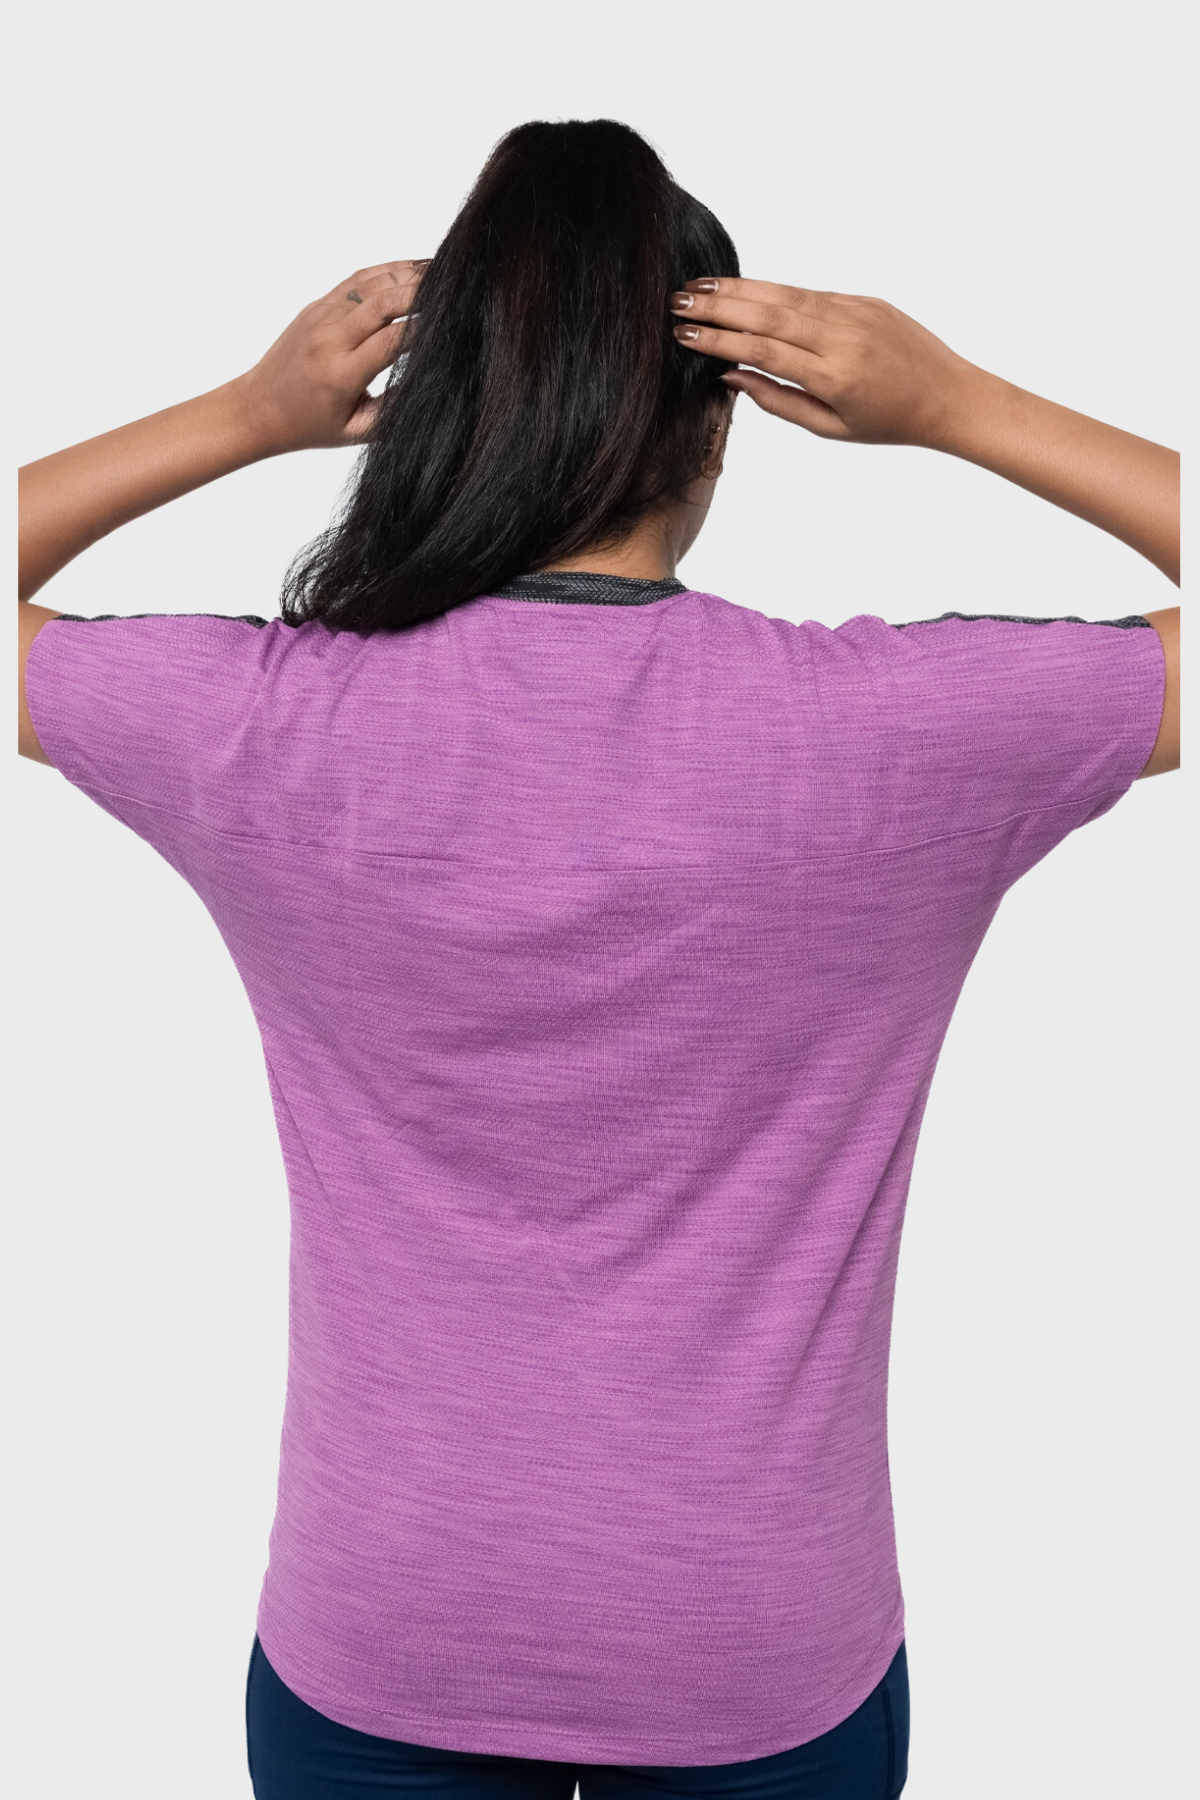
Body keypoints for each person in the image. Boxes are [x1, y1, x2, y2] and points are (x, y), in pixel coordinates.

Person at [17, 118, 1178, 1800]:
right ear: (719, 419)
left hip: (382, 1626)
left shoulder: (269, 726)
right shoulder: (897, 733)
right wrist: (957, 405)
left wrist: (246, 417)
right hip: (756, 1643)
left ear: (445, 407)